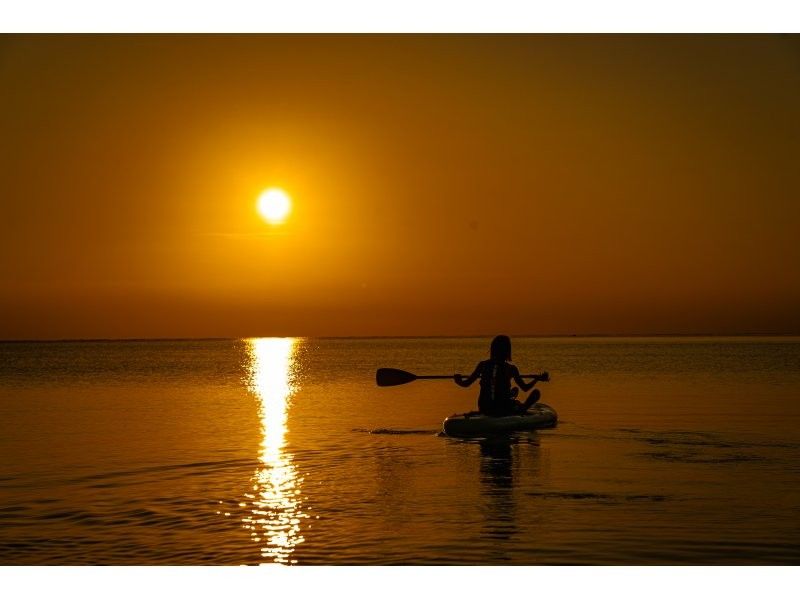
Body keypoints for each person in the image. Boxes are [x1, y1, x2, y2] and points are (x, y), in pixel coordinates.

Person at [454, 335, 549, 416]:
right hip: (503, 408)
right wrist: (536, 379)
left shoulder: (483, 365)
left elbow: (465, 384)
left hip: (484, 407)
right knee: (536, 393)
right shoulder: (511, 368)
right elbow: (525, 388)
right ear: (507, 351)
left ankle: (511, 397)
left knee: (513, 391)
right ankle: (522, 408)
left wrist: (458, 380)